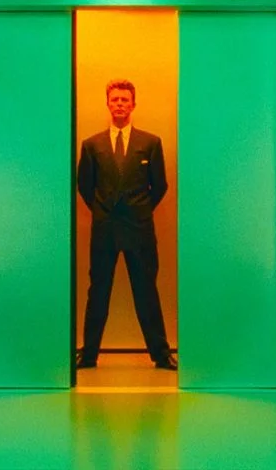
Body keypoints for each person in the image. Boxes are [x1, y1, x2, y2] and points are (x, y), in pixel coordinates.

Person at [76, 79, 177, 371]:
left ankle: (161, 354)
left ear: (133, 104)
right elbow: (85, 185)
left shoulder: (150, 143)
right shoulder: (92, 145)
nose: (119, 104)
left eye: (124, 100)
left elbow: (160, 185)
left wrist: (139, 211)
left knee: (146, 291)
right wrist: (103, 211)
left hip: (139, 229)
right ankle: (89, 355)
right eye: (115, 100)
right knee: (98, 292)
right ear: (107, 103)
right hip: (105, 229)